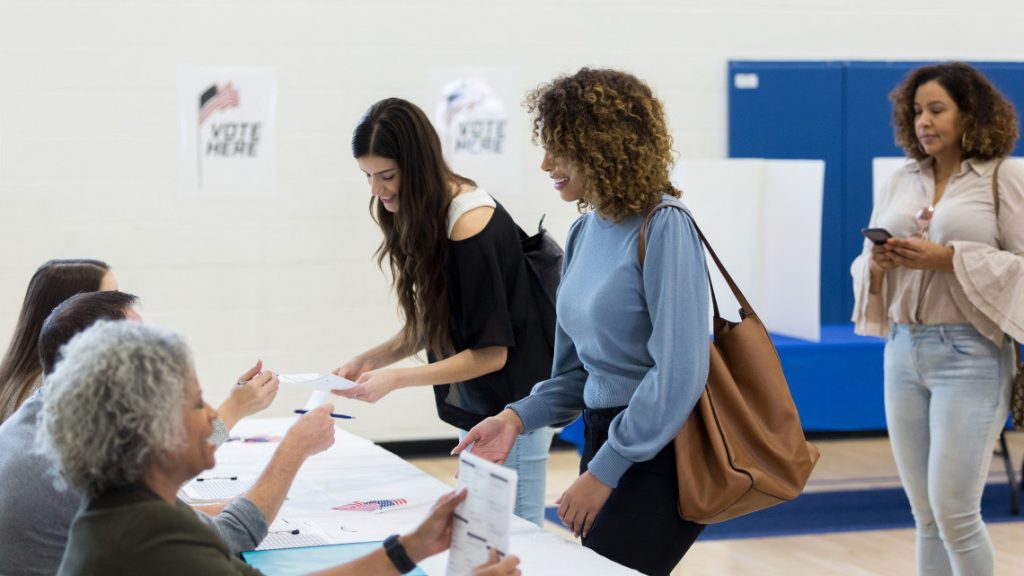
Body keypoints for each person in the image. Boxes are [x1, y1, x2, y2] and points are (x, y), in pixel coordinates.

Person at [454, 68, 711, 575]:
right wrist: (514, 418)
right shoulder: (582, 233)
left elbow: (679, 374)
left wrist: (607, 469)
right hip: (603, 439)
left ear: (604, 145)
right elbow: (576, 376)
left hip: (658, 452)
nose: (547, 164)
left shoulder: (666, 225)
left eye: (560, 148)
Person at [37, 320, 519, 576]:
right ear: (148, 431)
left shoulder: (136, 515)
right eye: (194, 403)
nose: (213, 415)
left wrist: (410, 547)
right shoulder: (146, 541)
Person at [334, 97, 555, 526]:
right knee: (481, 529)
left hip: (518, 400)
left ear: (416, 167)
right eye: (368, 177)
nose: (378, 191)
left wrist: (396, 379)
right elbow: (437, 322)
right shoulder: (423, 209)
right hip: (483, 400)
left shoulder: (469, 224)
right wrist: (371, 360)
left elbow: (492, 352)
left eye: (387, 176)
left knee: (518, 534)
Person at [851, 62, 1024, 576]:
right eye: (916, 111)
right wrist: (877, 265)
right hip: (902, 351)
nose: (923, 121)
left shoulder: (1003, 176)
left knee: (955, 513)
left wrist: (949, 258)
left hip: (971, 356)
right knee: (925, 515)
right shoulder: (900, 179)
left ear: (970, 112)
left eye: (937, 109)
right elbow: (864, 265)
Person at [0, 291, 300, 576]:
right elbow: (229, 536)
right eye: (140, 342)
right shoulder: (82, 463)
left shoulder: (44, 418)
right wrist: (293, 448)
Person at [0, 259, 113, 422]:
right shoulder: (55, 386)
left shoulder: (13, 380)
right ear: (72, 311)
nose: (122, 309)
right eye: (110, 300)